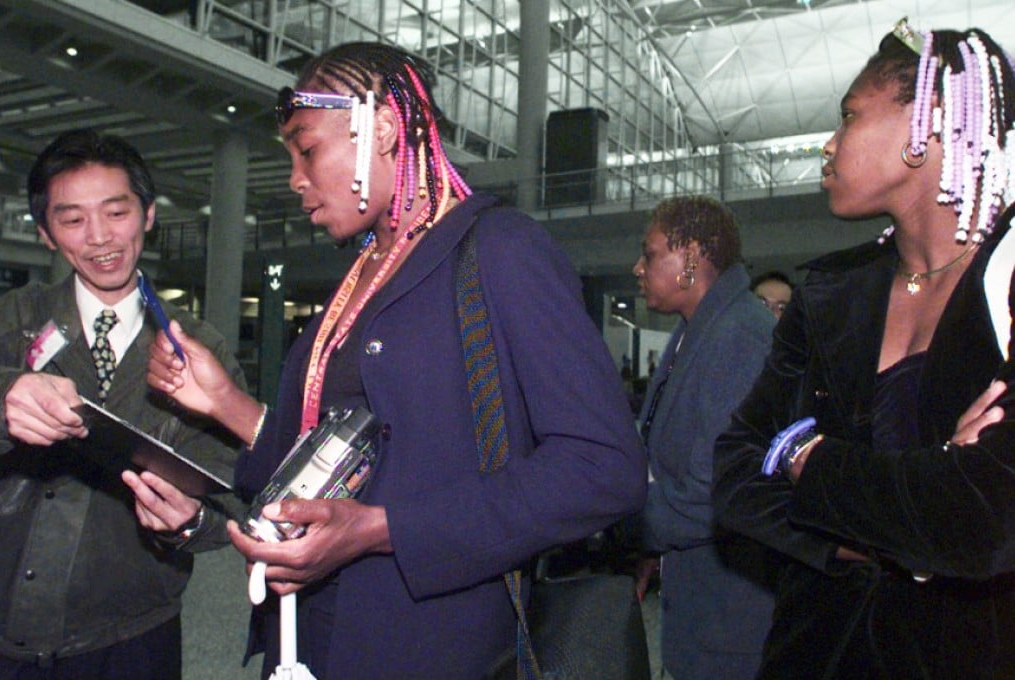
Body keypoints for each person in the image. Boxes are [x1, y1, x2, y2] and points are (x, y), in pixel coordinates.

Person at [143, 42, 647, 679]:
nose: (295, 179)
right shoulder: (361, 275)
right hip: (317, 636)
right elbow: (332, 454)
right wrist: (222, 403)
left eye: (308, 150)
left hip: (429, 645)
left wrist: (383, 529)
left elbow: (605, 467)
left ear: (380, 128)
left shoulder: (499, 250)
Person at [713, 19, 1015, 678]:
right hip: (816, 652)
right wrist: (905, 508)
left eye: (849, 117)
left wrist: (803, 459)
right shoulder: (829, 290)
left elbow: (987, 518)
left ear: (925, 123)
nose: (829, 143)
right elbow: (734, 472)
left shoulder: (1008, 276)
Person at [0, 128, 245, 678]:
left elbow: (233, 496)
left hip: (133, 634)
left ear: (149, 215)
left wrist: (190, 522)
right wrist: (3, 400)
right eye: (72, 219)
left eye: (116, 212)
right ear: (44, 234)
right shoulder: (11, 318)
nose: (100, 237)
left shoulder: (201, 349)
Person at [631, 196, 777, 679]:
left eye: (650, 255)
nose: (638, 267)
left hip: (734, 627)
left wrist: (622, 524)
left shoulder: (738, 337)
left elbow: (710, 497)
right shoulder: (700, 329)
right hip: (702, 608)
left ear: (691, 257)